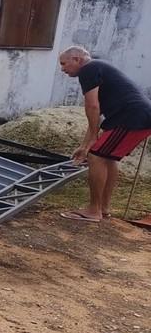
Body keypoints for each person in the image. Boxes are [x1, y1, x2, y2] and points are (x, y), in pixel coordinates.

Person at [58, 46, 151, 222]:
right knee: (108, 158)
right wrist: (85, 145)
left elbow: (92, 106)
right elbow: (96, 113)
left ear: (77, 59)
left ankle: (94, 210)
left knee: (96, 157)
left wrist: (92, 140)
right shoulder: (98, 67)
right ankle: (103, 208)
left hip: (131, 116)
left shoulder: (88, 69)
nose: (62, 69)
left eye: (64, 63)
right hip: (137, 115)